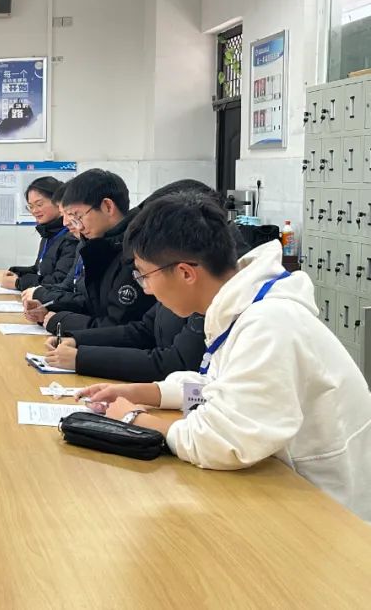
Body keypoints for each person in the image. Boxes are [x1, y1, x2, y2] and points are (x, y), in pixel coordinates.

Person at [79, 192, 371, 521]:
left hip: (327, 510)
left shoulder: (268, 323)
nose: (146, 288)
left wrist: (134, 418)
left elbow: (224, 441)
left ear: (186, 273)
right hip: (284, 488)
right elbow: (225, 387)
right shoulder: (244, 306)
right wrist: (145, 392)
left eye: (144, 275)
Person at [43, 179, 219, 380]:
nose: (147, 289)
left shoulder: (213, 291)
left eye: (145, 276)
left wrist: (81, 358)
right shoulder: (177, 271)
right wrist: (76, 340)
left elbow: (178, 363)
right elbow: (143, 330)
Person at [24, 169, 154, 333]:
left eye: (77, 216)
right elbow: (92, 304)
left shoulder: (136, 251)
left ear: (107, 206)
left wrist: (61, 321)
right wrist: (50, 310)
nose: (74, 225)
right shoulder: (99, 244)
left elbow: (120, 327)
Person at [2, 177, 77, 291]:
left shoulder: (72, 236)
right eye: (31, 206)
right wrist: (16, 272)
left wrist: (19, 283)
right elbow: (40, 270)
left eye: (39, 204)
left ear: (58, 202)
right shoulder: (48, 233)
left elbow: (59, 281)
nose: (34, 211)